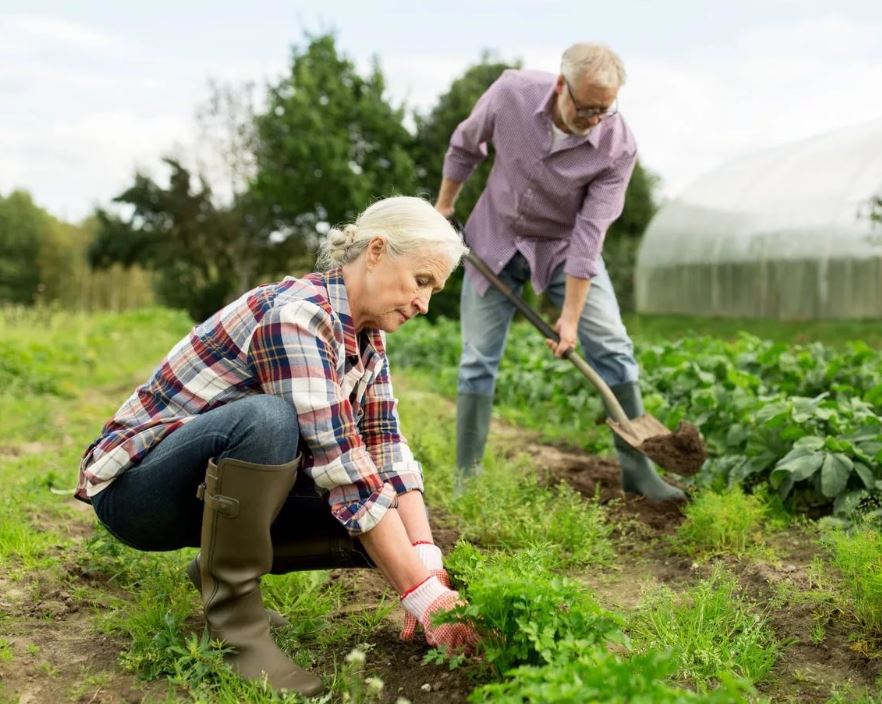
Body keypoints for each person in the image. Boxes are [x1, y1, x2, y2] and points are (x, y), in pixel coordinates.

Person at [76, 196, 479, 696]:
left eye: (434, 290)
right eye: (421, 281)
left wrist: (429, 569)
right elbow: (344, 468)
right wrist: (419, 595)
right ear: (376, 250)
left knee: (383, 520)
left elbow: (386, 447)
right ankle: (237, 629)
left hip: (205, 492)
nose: (424, 303)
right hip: (137, 493)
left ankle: (217, 569)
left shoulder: (367, 339)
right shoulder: (298, 316)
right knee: (270, 421)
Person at [435, 43, 684, 503]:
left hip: (564, 249)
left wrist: (570, 316)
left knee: (611, 346)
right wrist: (443, 209)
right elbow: (466, 145)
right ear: (560, 85)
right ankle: (466, 479)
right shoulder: (511, 93)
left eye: (603, 111)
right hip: (496, 237)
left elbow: (590, 236)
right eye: (585, 107)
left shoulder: (618, 146)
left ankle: (639, 472)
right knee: (478, 359)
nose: (593, 119)